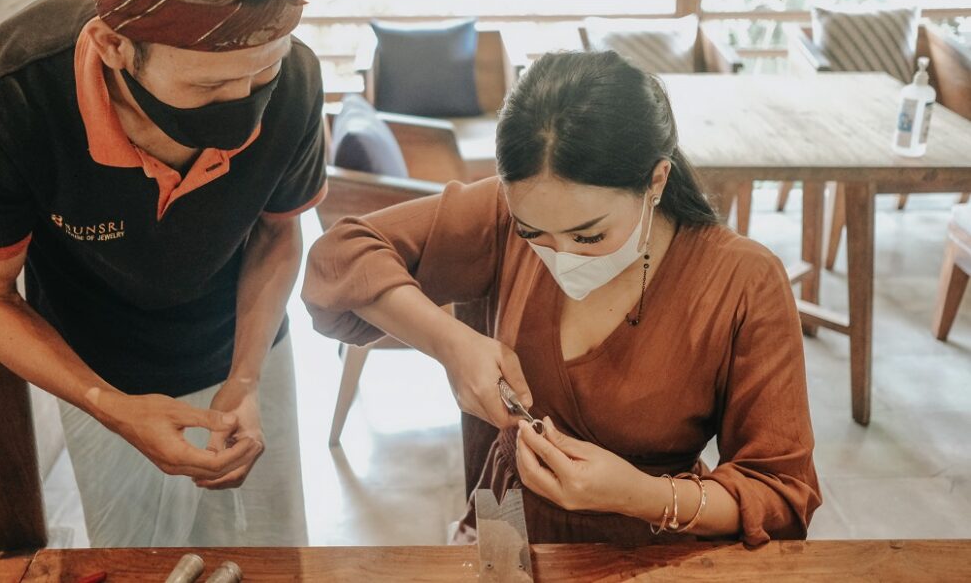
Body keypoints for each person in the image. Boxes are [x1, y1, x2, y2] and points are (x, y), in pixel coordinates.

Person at [303, 51, 821, 545]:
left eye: (589, 237)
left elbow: (780, 495)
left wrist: (640, 496)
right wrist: (450, 344)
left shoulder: (743, 281)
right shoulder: (503, 217)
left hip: (659, 547)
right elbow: (340, 255)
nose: (560, 256)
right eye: (535, 234)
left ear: (656, 180)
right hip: (509, 533)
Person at [0, 0, 322, 547]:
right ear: (115, 44)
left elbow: (276, 236)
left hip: (244, 340)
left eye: (261, 73)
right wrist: (110, 408)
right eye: (209, 85)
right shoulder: (9, 96)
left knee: (270, 549)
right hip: (98, 363)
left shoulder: (296, 82)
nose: (245, 107)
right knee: (137, 555)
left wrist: (244, 377)